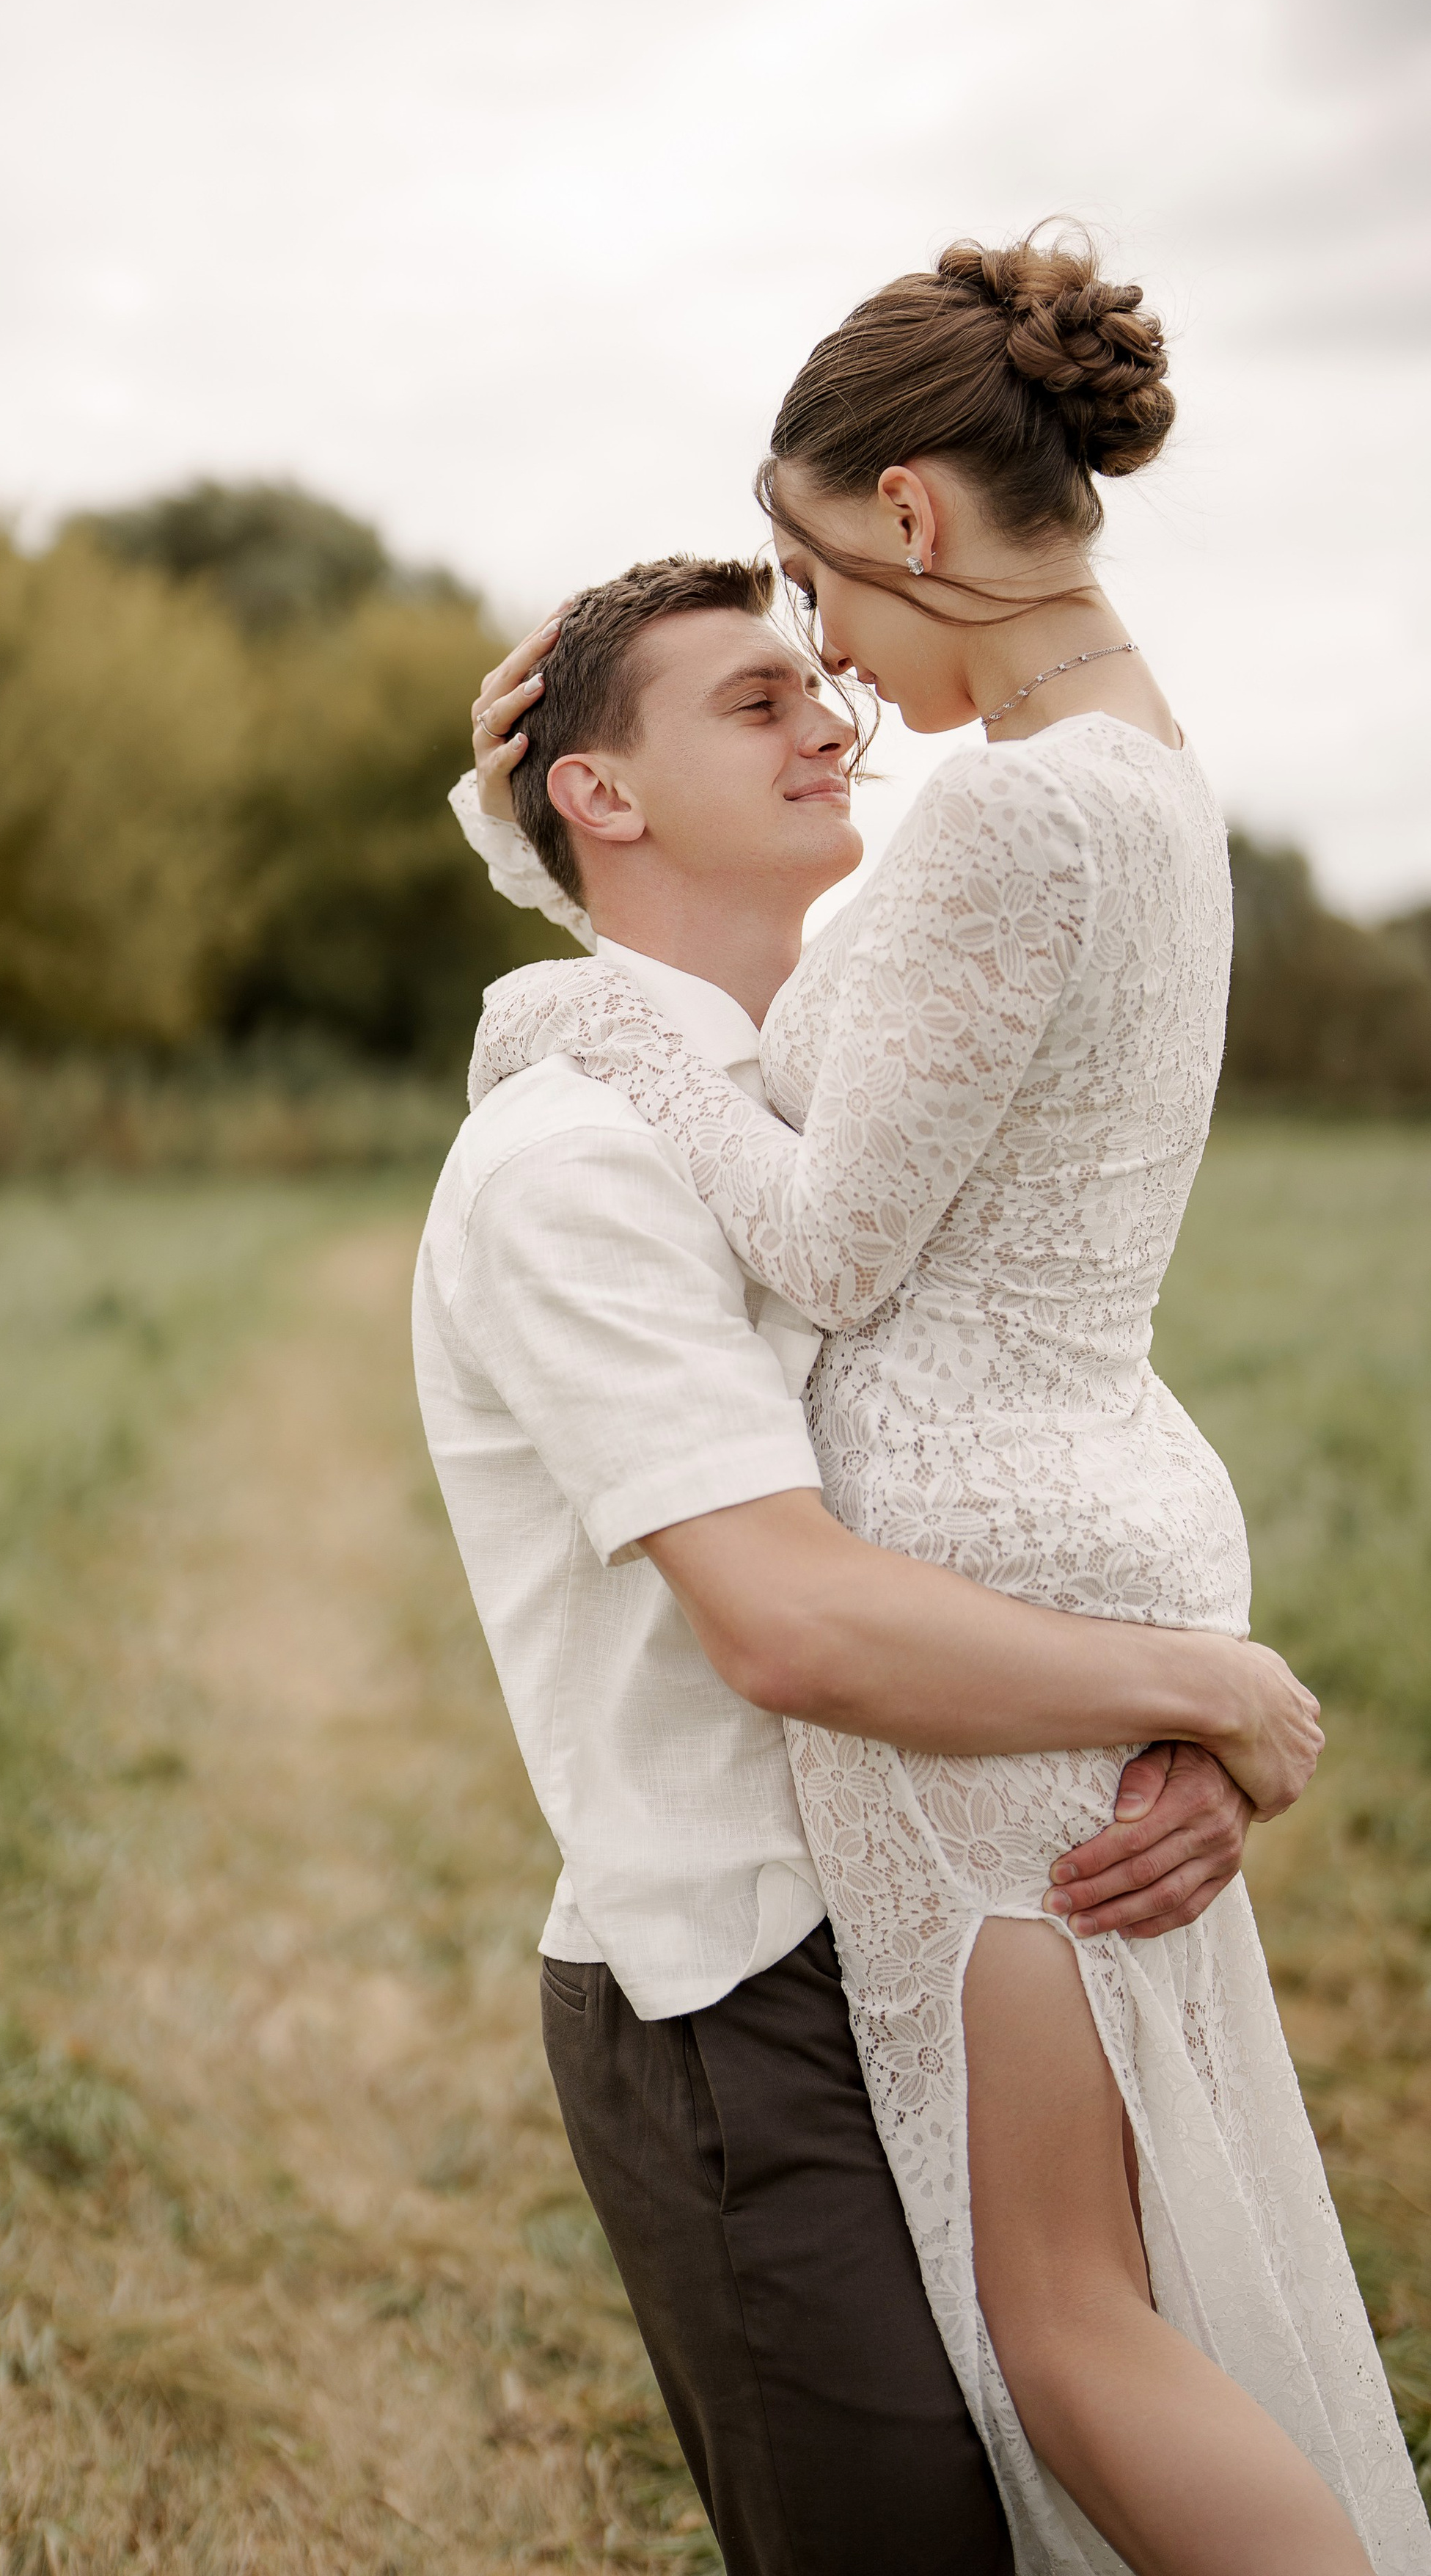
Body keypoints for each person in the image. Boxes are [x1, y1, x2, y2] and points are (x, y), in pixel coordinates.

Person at [461, 241, 1431, 2575]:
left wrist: (575, 1025)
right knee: (1116, 2283)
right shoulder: (1142, 777)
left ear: (911, 516)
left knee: (1071, 2325)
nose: (843, 685)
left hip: (979, 1554)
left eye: (820, 588)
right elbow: (800, 1024)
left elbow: (822, 1241)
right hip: (1080, 1505)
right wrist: (543, 848)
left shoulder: (1011, 817)